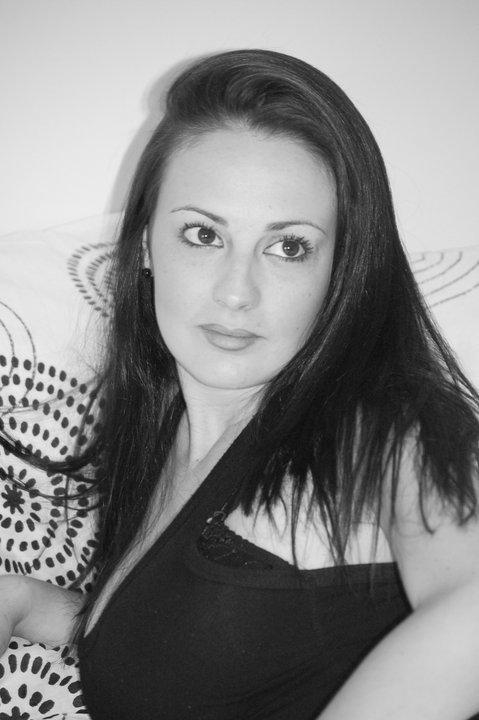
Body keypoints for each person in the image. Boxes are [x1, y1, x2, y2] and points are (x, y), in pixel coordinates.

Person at [1, 48, 479, 720]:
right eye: (202, 234)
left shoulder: (384, 424)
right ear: (146, 243)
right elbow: (193, 651)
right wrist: (26, 600)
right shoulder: (164, 437)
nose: (236, 293)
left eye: (288, 247)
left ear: (340, 269)